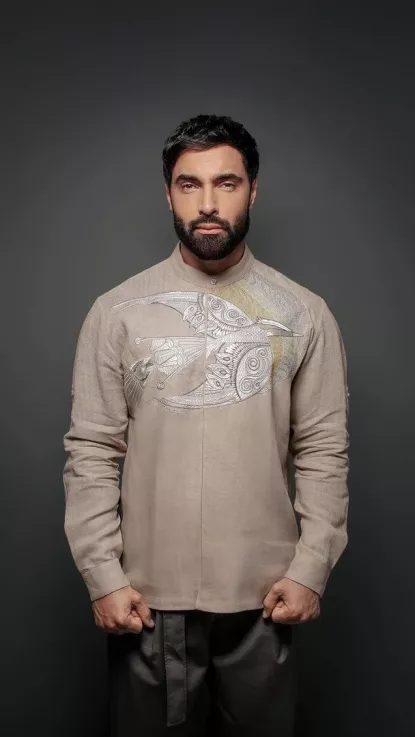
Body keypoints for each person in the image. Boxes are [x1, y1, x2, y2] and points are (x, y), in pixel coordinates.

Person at [62, 113, 350, 736]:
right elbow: (92, 449)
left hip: (265, 598)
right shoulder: (117, 313)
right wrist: (102, 575)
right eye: (189, 184)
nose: (208, 203)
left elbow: (323, 448)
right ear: (168, 194)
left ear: (253, 191)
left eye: (227, 183)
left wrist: (311, 568)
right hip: (144, 599)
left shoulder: (305, 313)